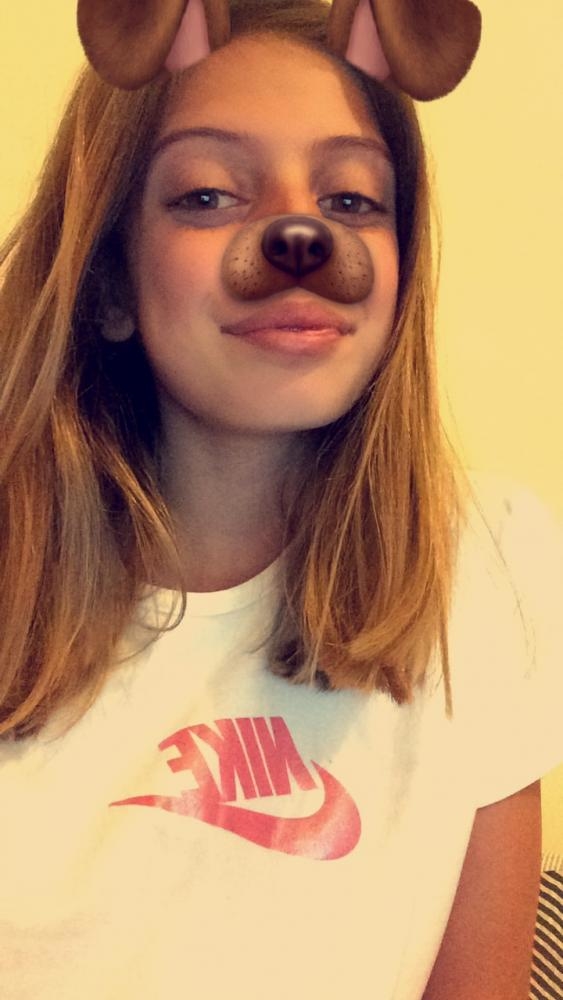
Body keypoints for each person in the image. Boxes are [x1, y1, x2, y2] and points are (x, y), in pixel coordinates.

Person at [0, 0, 561, 997]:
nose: (297, 235)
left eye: (349, 199)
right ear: (110, 282)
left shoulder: (491, 566)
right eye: (209, 194)